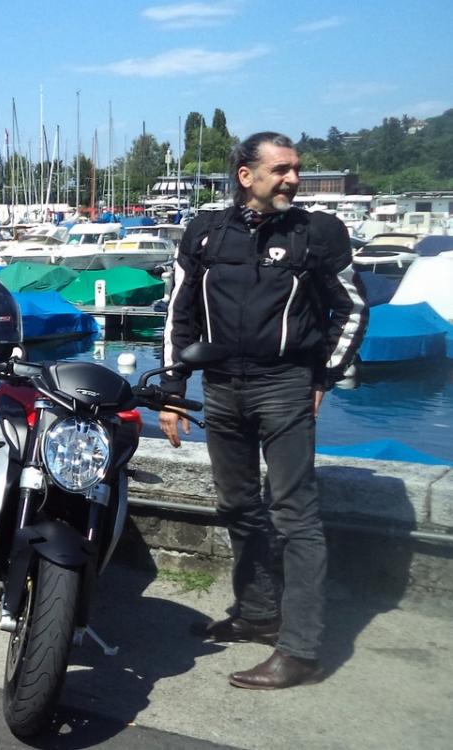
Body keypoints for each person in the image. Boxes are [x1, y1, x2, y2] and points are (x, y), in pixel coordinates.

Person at [159, 131, 368, 690]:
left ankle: (300, 650)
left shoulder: (316, 233)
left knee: (295, 515)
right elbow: (179, 313)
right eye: (281, 169)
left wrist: (322, 376)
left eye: (296, 168)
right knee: (236, 505)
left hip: (284, 386)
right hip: (221, 386)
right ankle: (256, 613)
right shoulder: (205, 232)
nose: (293, 179)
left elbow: (350, 309)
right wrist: (174, 389)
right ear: (245, 176)